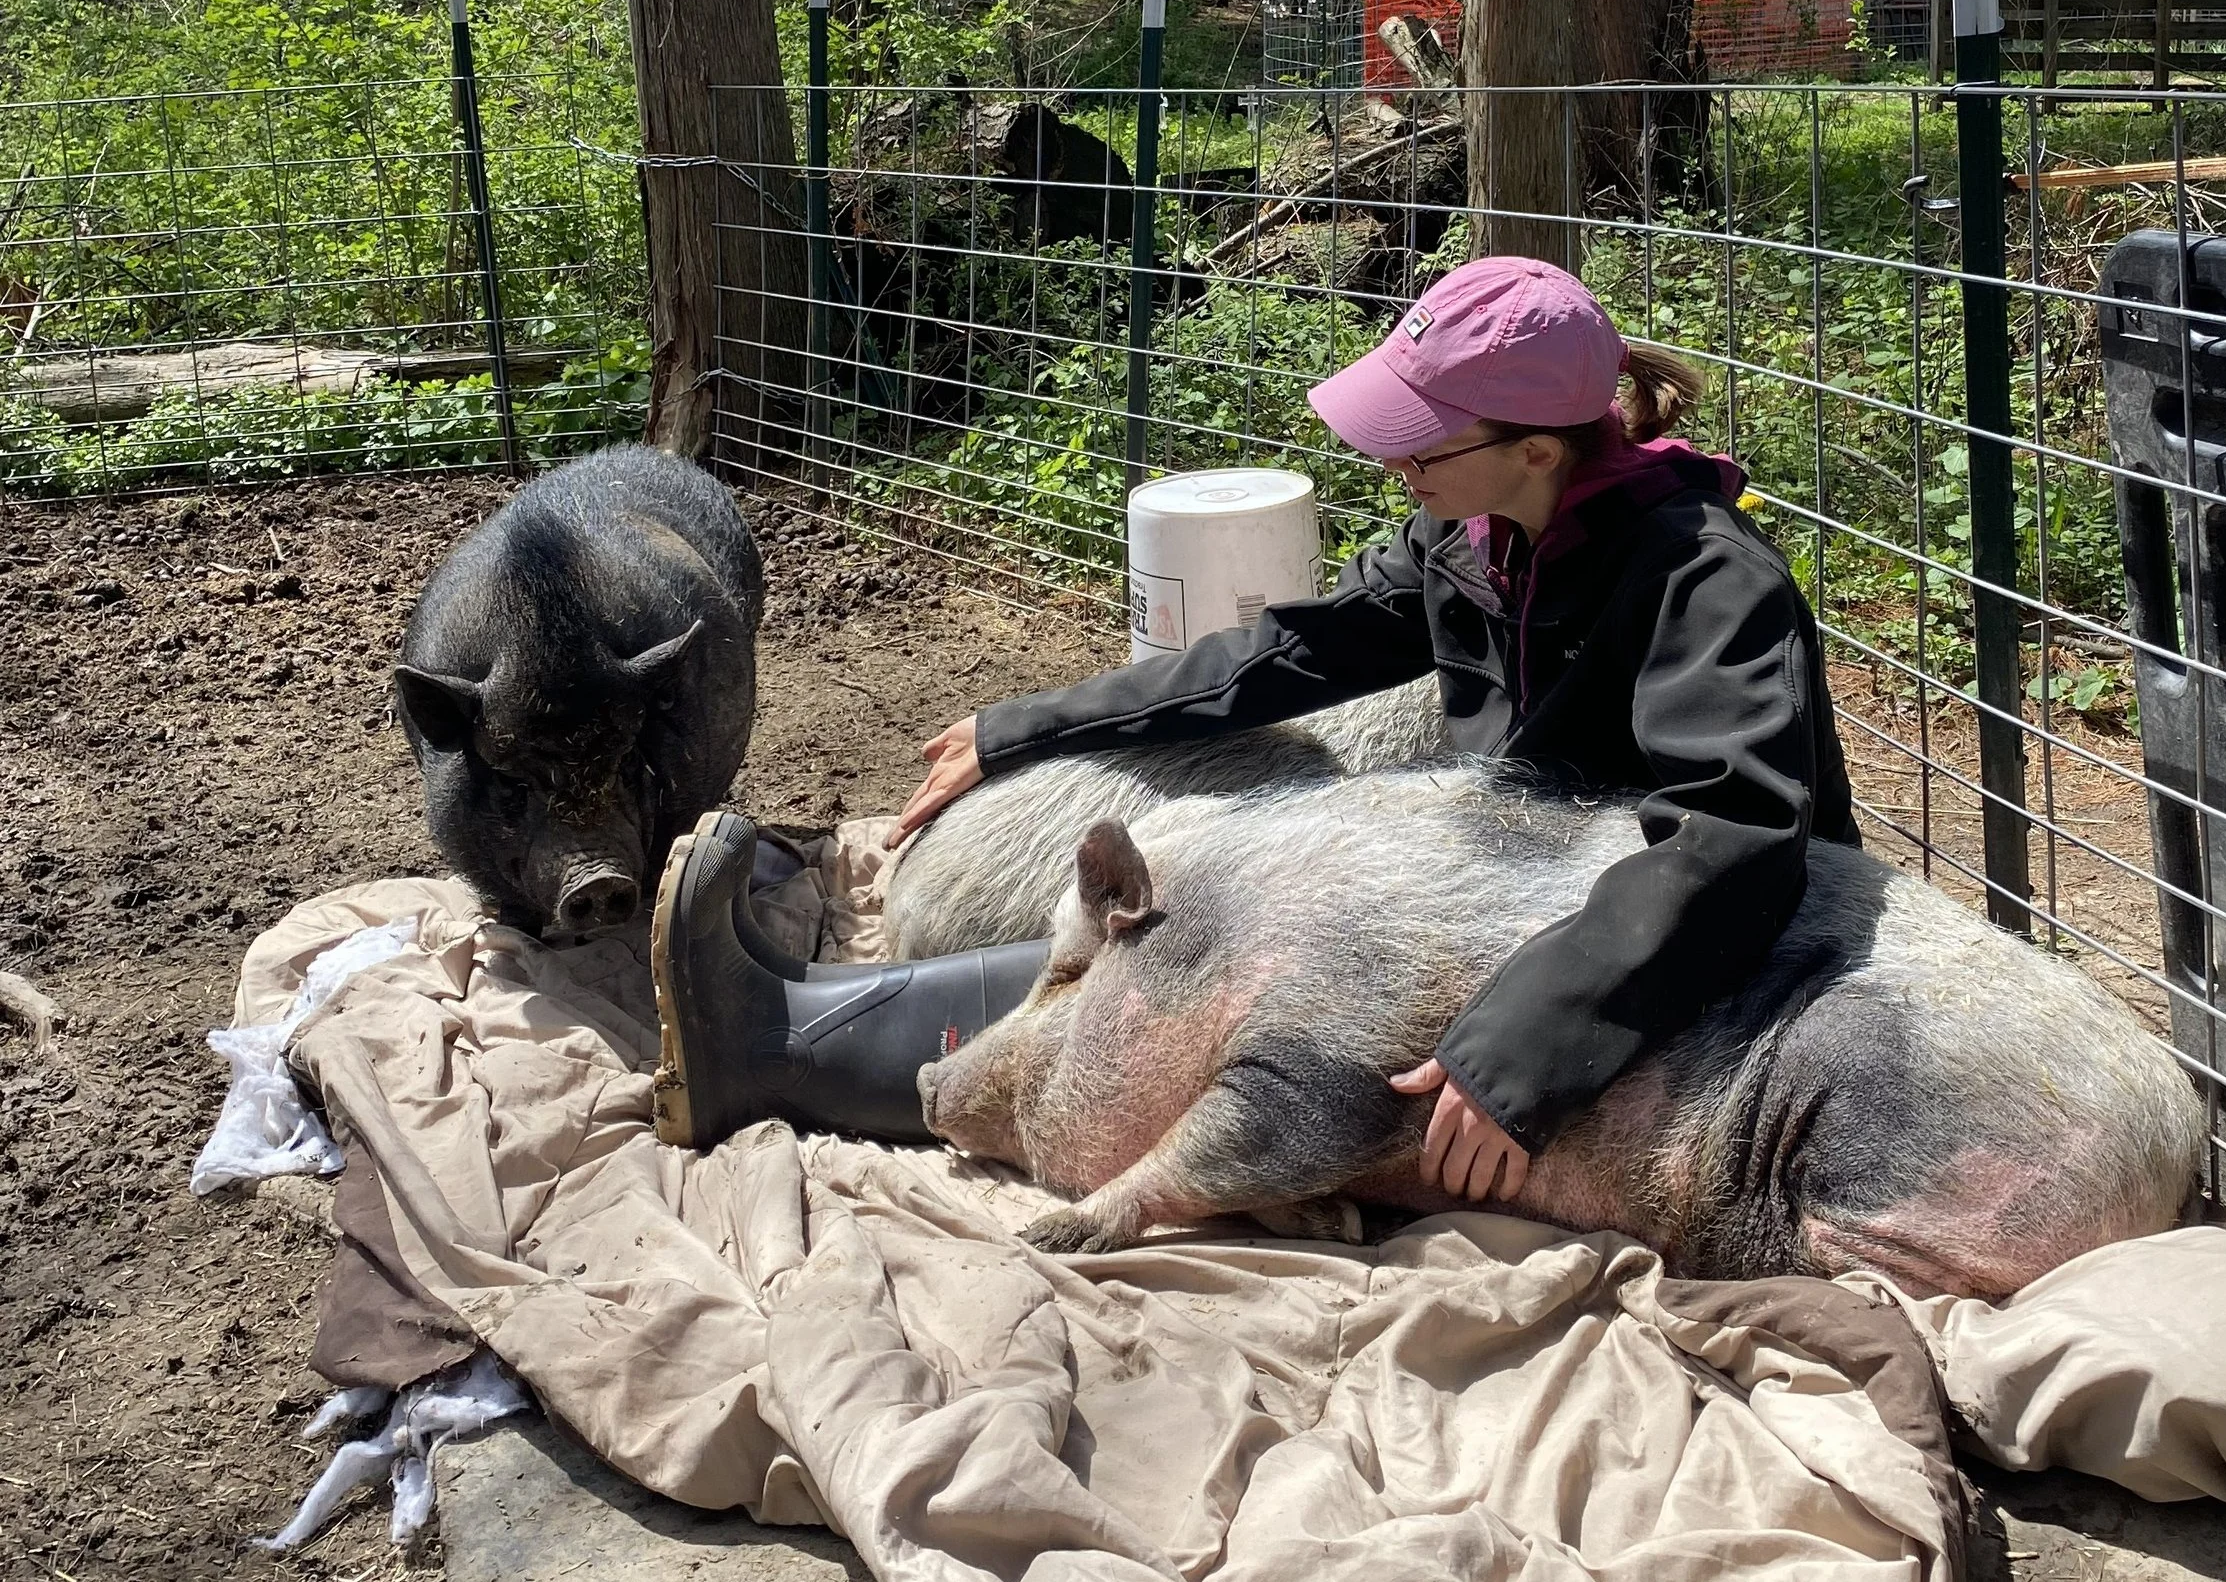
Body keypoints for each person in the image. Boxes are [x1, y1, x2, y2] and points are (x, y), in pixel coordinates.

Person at [650, 255, 1859, 1190]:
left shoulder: (1707, 578)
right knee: (1203, 933)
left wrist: (1522, 1047)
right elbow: (1290, 655)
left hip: (1639, 946)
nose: (1394, 466)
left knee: (1225, 970)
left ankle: (782, 1050)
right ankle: (789, 1034)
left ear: (1535, 447)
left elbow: (1731, 841)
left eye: (1415, 442)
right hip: (1516, 883)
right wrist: (1024, 727)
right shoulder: (1476, 533)